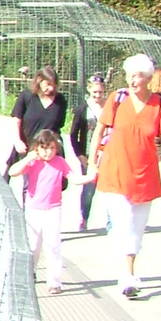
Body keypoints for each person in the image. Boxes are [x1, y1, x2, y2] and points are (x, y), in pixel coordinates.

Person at [92, 53, 161, 299]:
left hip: (144, 174)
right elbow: (100, 130)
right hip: (116, 170)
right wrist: (92, 161)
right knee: (123, 223)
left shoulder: (160, 105)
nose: (132, 81)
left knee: (136, 227)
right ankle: (127, 275)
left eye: (137, 76)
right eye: (129, 76)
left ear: (147, 78)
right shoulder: (117, 98)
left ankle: (129, 269)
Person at [9, 129, 94, 294]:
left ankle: (54, 281)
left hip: (53, 208)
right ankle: (30, 271)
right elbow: (13, 172)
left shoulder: (60, 162)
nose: (48, 152)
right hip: (34, 209)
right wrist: (28, 158)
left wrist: (89, 177)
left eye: (51, 148)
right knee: (33, 245)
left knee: (53, 245)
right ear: (37, 148)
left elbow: (74, 179)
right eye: (44, 148)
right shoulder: (33, 162)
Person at [5, 66, 67, 183]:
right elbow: (16, 119)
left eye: (53, 84)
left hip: (47, 148)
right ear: (39, 81)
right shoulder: (27, 96)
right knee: (22, 180)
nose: (51, 88)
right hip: (27, 144)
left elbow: (59, 126)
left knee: (45, 181)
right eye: (48, 84)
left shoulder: (60, 100)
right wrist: (17, 140)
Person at [69, 72, 107, 230]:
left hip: (107, 153)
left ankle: (112, 220)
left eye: (100, 92)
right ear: (89, 90)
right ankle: (84, 217)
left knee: (110, 188)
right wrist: (80, 155)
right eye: (95, 92)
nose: (98, 95)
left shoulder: (110, 107)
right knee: (89, 188)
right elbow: (73, 135)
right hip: (88, 154)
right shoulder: (82, 109)